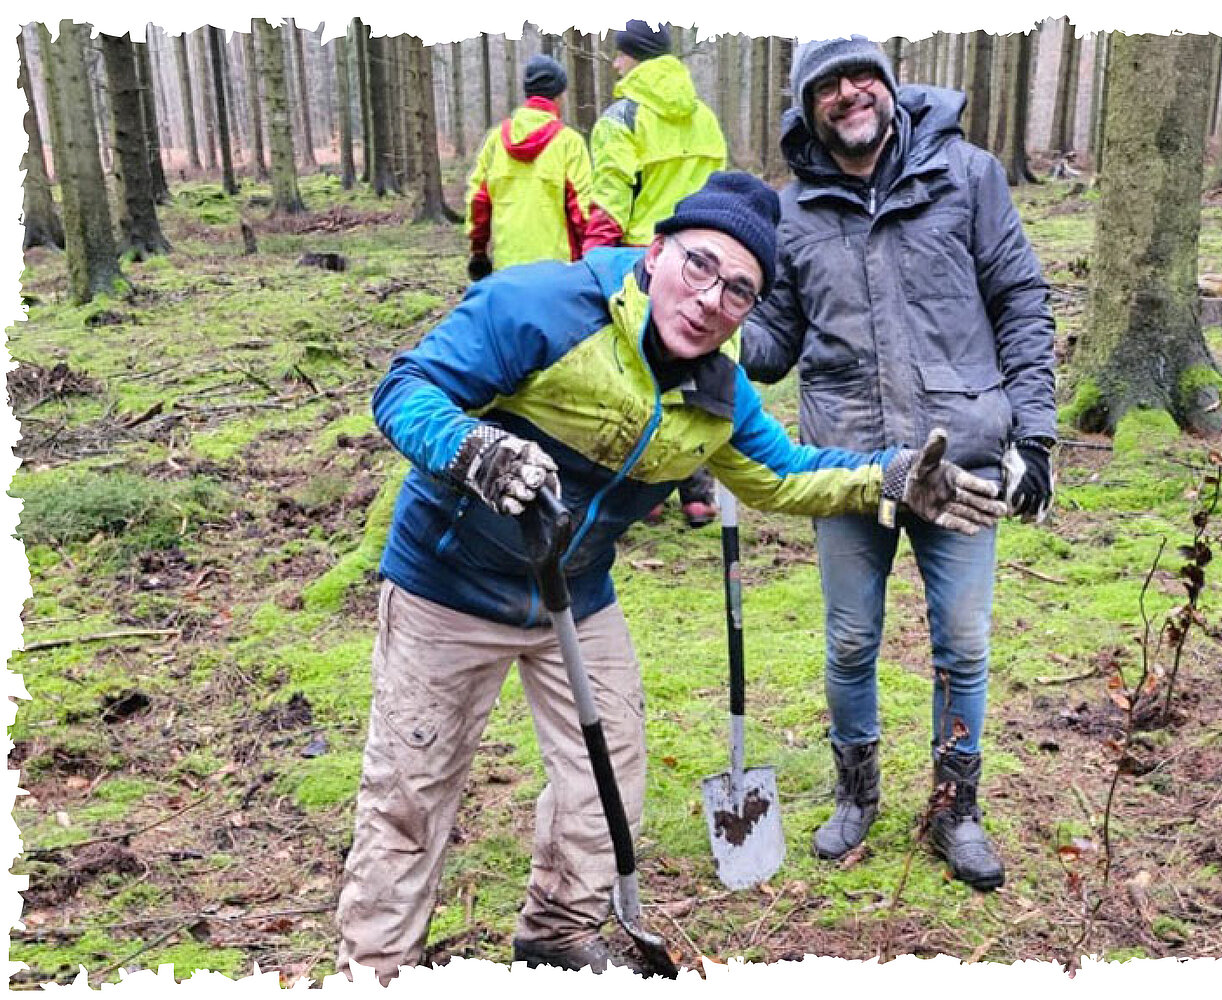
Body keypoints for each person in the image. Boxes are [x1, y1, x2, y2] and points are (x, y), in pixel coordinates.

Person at [334, 171, 1007, 982]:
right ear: (655, 253)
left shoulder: (719, 394)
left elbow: (784, 475)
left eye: (738, 291)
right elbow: (405, 388)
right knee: (410, 794)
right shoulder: (540, 307)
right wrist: (472, 450)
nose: (710, 299)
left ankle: (557, 932)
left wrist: (888, 479)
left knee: (607, 776)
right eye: (699, 265)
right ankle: (376, 969)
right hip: (448, 586)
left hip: (575, 596)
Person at [739, 37, 1058, 892]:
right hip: (851, 465)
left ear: (888, 84)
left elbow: (1021, 301)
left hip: (963, 461)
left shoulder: (968, 175)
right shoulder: (791, 212)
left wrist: (1035, 436)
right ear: (807, 107)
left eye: (861, 76)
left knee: (964, 643)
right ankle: (857, 794)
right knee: (850, 641)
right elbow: (774, 342)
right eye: (827, 86)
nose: (848, 94)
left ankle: (955, 808)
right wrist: (717, 325)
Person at [583, 18, 729, 527]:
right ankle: (696, 493)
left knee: (636, 377)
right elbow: (718, 191)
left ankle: (642, 494)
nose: (615, 63)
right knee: (694, 374)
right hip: (702, 260)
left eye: (620, 54)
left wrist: (592, 267)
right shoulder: (703, 117)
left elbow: (609, 199)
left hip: (642, 260)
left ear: (635, 56)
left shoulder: (622, 117)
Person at [465, 54, 592, 280]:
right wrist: (590, 256)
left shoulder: (495, 141)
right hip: (559, 271)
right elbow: (582, 210)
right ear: (559, 96)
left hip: (507, 269)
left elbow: (478, 203)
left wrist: (478, 251)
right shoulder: (569, 143)